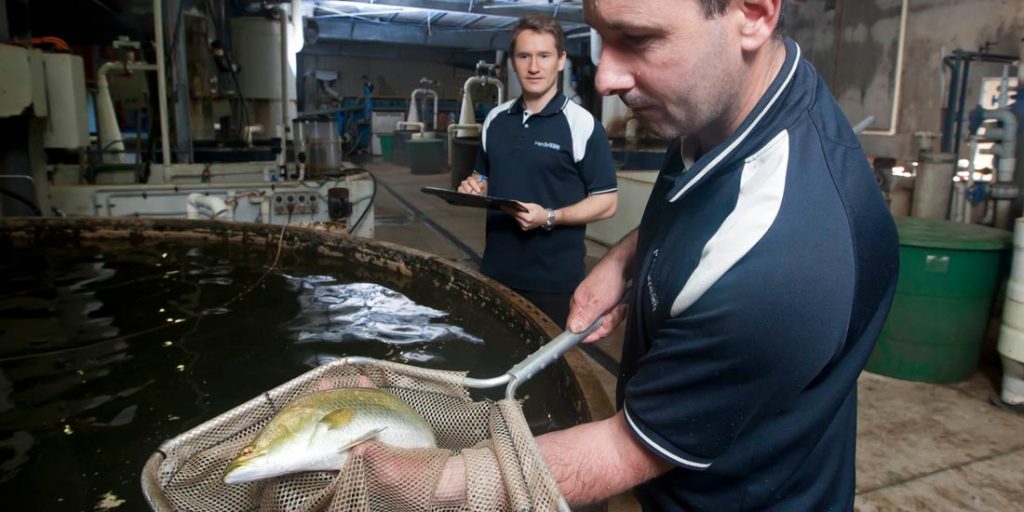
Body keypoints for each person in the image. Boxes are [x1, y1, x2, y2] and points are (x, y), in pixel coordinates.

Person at [532, 0, 900, 509]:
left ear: (752, 14)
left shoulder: (784, 266)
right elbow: (700, 212)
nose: (605, 79)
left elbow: (620, 451)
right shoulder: (729, 101)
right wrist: (623, 261)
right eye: (599, 36)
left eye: (637, 39)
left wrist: (427, 481)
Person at [457, 13, 618, 327]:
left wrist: (549, 216)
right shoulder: (495, 120)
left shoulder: (581, 124)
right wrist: (474, 186)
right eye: (524, 56)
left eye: (544, 56)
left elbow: (607, 202)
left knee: (547, 372)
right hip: (496, 272)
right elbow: (484, 177)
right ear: (512, 62)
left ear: (560, 60)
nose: (533, 67)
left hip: (554, 282)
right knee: (496, 361)